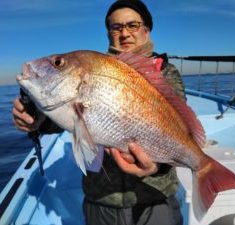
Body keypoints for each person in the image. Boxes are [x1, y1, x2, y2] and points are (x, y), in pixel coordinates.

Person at [13, 0, 185, 224]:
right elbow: (65, 119)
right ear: (108, 34)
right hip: (101, 198)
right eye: (116, 27)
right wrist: (35, 120)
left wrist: (158, 166)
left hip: (154, 196)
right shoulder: (93, 68)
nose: (125, 33)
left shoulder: (166, 73)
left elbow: (177, 128)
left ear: (146, 30)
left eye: (132, 25)